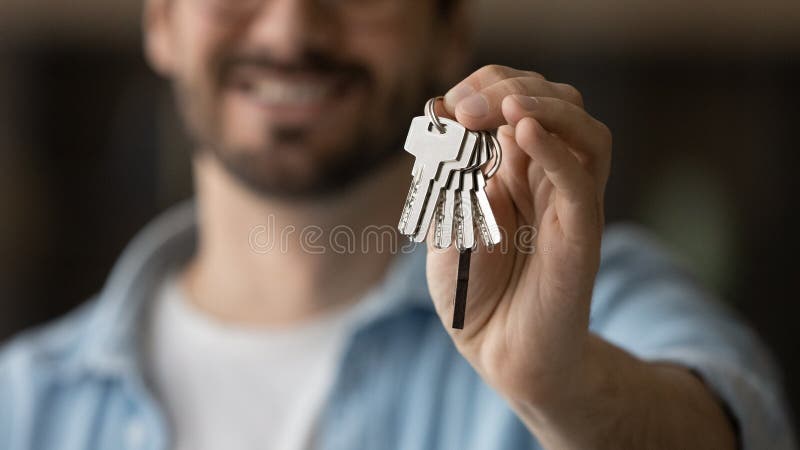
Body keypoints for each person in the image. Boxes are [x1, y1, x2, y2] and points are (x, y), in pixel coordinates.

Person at [1, 0, 795, 448]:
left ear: (448, 31)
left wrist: (568, 389)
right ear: (161, 23)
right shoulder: (25, 403)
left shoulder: (597, 299)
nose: (289, 31)